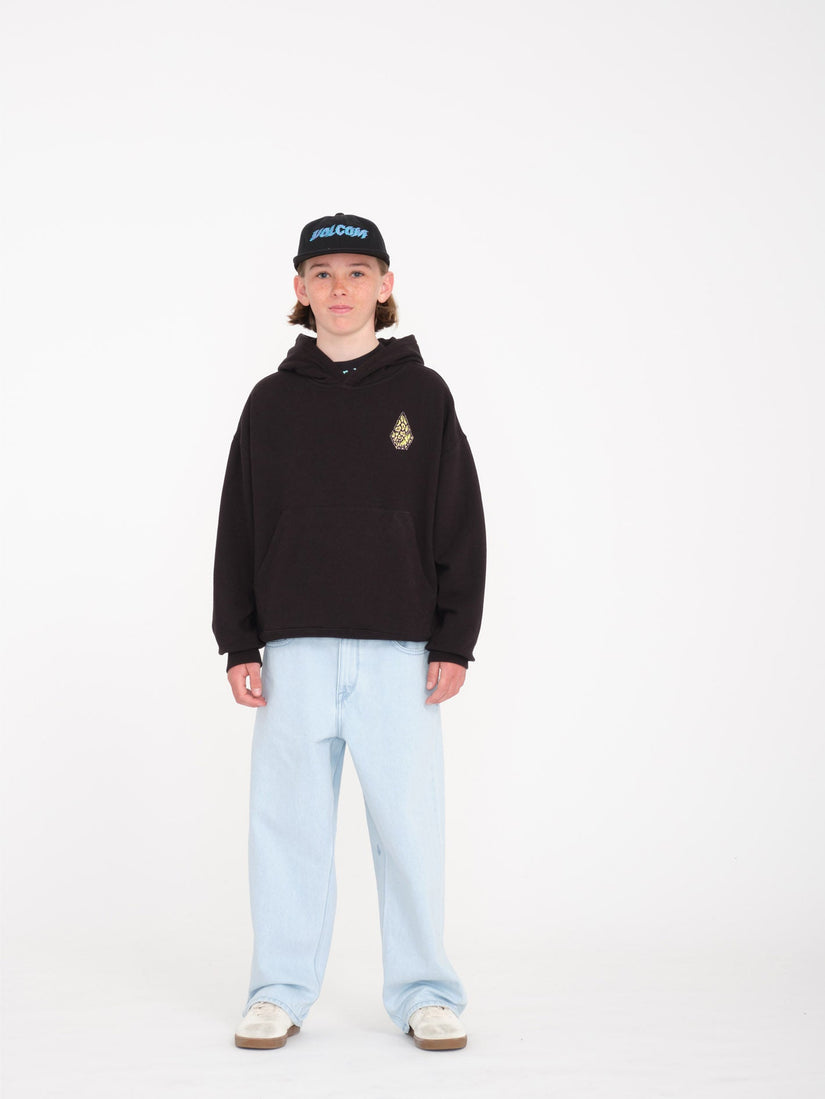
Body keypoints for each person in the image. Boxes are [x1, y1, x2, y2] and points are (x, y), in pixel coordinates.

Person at [212, 212, 486, 1052]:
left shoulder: (423, 395)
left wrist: (452, 638)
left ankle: (425, 991)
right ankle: (279, 988)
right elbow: (238, 523)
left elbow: (457, 518)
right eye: (323, 273)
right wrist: (240, 639)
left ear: (385, 285)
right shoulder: (270, 402)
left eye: (357, 272)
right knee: (286, 827)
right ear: (299, 289)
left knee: (408, 828)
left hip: (399, 652)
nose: (340, 288)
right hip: (294, 650)